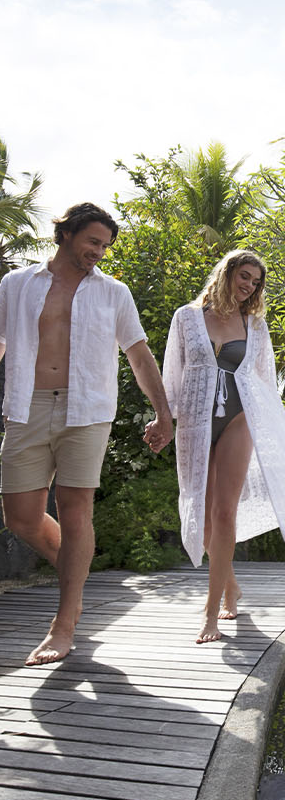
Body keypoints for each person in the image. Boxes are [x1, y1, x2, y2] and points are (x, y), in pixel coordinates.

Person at [0, 203, 174, 666]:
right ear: (67, 233)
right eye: (93, 241)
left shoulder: (114, 293)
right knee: (21, 517)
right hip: (26, 407)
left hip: (87, 410)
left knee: (76, 512)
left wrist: (163, 412)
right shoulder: (17, 284)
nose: (99, 252)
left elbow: (138, 353)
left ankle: (64, 624)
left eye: (105, 246)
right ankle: (77, 570)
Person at [163, 249, 285, 643]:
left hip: (239, 419)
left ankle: (211, 613)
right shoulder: (186, 317)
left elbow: (264, 380)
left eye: (255, 282)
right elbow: (173, 374)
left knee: (224, 512)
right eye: (244, 276)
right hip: (195, 423)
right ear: (227, 273)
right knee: (202, 517)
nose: (249, 286)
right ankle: (230, 585)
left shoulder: (254, 325)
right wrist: (163, 417)